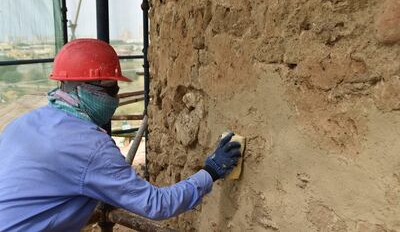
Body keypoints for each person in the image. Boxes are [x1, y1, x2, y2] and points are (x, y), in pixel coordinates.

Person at [0, 39, 241, 231]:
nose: (115, 99)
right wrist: (210, 172)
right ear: (82, 89)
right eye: (111, 89)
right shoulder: (90, 146)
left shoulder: (22, 124)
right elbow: (156, 204)